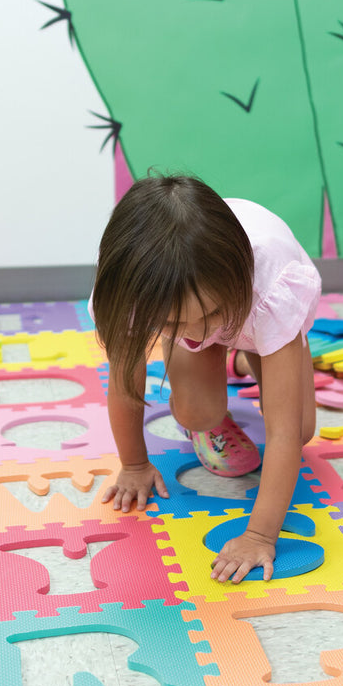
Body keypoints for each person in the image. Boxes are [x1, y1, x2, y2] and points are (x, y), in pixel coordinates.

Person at [91, 174, 321, 583]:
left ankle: (252, 357)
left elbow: (284, 432)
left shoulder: (272, 285)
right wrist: (134, 464)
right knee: (198, 413)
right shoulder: (129, 294)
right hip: (227, 304)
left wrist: (259, 534)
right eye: (172, 322)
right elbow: (126, 385)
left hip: (253, 310)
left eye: (208, 317)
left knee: (302, 427)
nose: (197, 332)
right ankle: (230, 355)